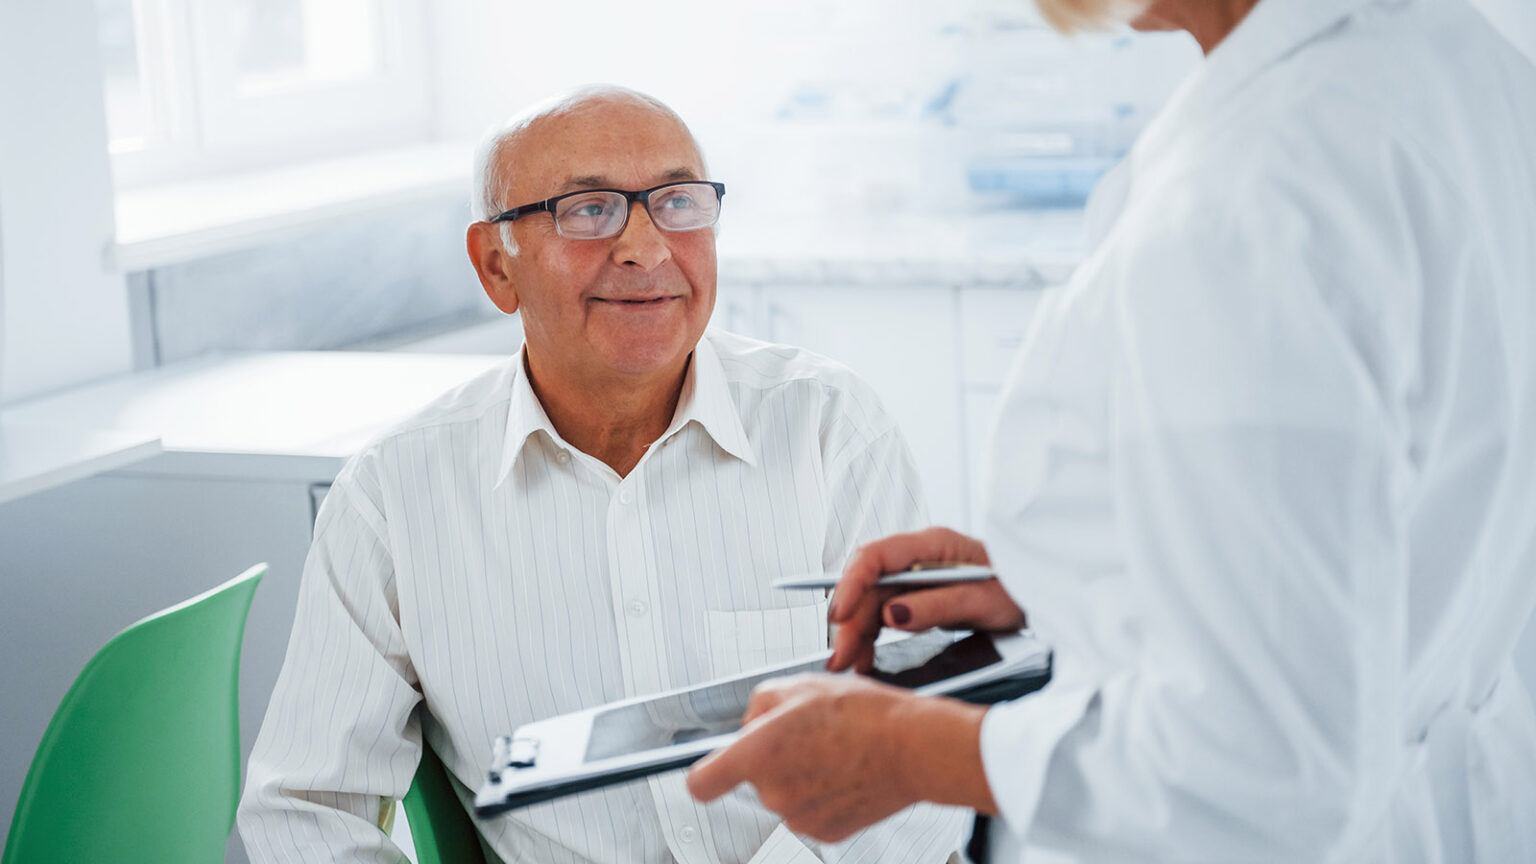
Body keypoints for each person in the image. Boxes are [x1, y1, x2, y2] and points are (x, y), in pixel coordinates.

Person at [686, 0, 1536, 860]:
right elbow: (1402, 528)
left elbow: (1267, 771)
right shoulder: (1463, 67)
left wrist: (907, 750)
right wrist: (1084, 582)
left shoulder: (1247, 199)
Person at [237, 86, 966, 863]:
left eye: (679, 202)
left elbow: (926, 744)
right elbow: (306, 810)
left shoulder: (830, 428)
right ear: (495, 265)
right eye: (588, 210)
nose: (647, 248)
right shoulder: (393, 498)